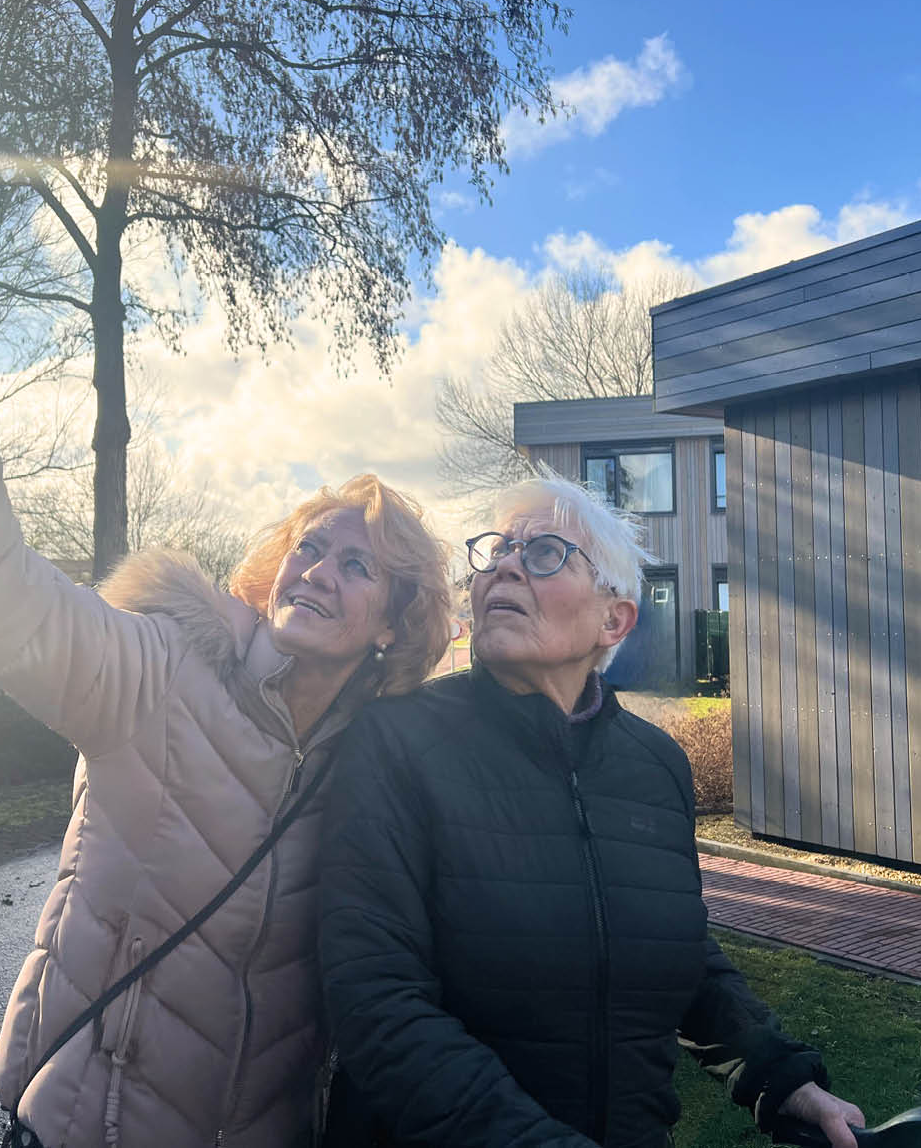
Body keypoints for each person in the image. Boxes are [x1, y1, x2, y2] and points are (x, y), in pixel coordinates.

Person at [0, 160, 451, 1148]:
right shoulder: (158, 673)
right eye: (311, 547)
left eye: (360, 567)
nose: (321, 573)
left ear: (392, 621)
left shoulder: (378, 766)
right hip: (87, 1122)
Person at [318, 473, 866, 1148]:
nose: (506, 567)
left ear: (615, 618)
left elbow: (675, 947)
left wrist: (783, 1078)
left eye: (544, 551)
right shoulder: (397, 741)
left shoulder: (656, 763)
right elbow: (376, 1000)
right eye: (497, 552)